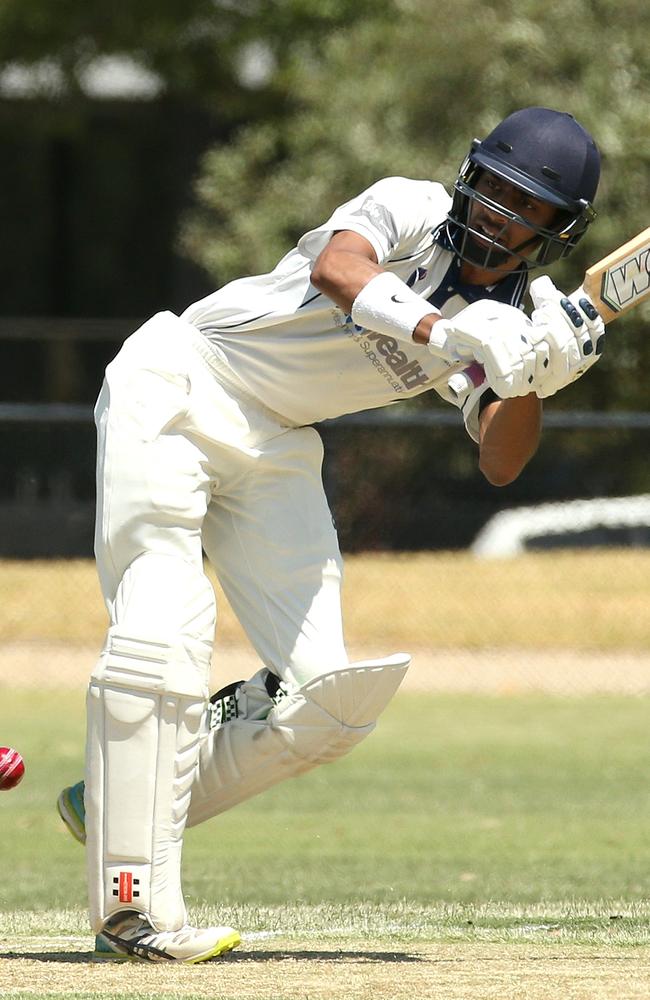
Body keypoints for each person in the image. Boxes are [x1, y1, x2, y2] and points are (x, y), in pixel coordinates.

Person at [57, 106, 603, 962]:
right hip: (181, 379)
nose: (496, 210)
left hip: (278, 444)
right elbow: (338, 269)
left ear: (552, 231)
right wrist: (443, 329)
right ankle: (133, 915)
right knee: (164, 626)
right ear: (467, 177)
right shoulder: (410, 208)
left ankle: (113, 799)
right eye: (491, 186)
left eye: (523, 203)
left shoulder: (503, 316)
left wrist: (535, 374)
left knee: (330, 706)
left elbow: (502, 458)